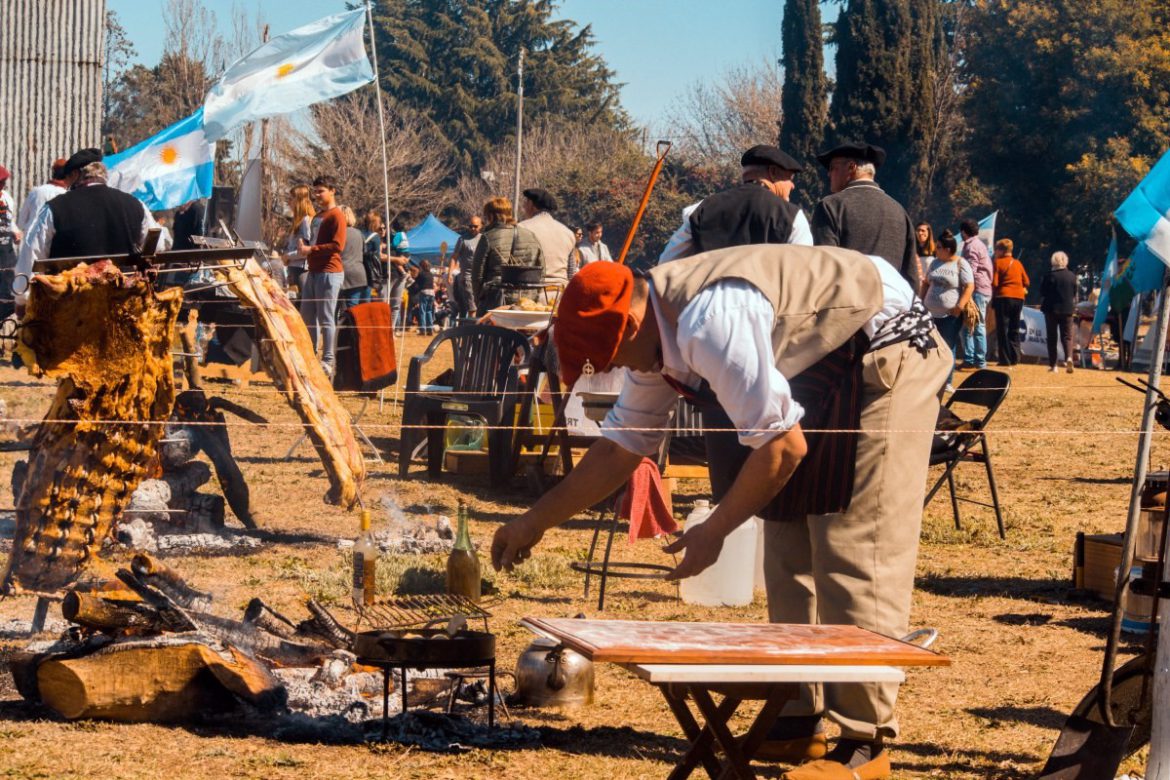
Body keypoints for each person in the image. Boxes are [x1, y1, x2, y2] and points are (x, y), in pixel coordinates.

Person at [492, 249, 948, 780]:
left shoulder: (710, 322)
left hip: (887, 350)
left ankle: (862, 745)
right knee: (787, 538)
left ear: (633, 323)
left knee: (855, 544)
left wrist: (715, 530)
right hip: (822, 364)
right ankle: (798, 712)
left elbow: (782, 449)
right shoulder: (655, 330)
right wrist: (534, 522)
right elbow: (622, 447)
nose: (623, 369)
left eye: (618, 357)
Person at [15, 148, 171, 316]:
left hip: (69, 313)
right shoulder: (135, 205)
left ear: (75, 174)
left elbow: (31, 254)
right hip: (120, 310)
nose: (67, 186)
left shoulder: (55, 208)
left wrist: (23, 300)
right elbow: (159, 243)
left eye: (67, 180)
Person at [811, 141, 920, 291]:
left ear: (851, 167)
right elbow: (911, 276)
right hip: (895, 310)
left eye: (832, 167)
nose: (829, 174)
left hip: (851, 307)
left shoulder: (830, 206)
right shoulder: (899, 211)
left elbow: (826, 268)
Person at [297, 176, 346, 376]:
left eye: (321, 191)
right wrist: (303, 244)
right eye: (315, 191)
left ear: (332, 190)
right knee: (307, 316)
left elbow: (338, 246)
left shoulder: (337, 216)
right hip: (313, 271)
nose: (317, 195)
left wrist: (312, 249)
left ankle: (328, 361)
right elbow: (312, 239)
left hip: (330, 272)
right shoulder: (317, 216)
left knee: (326, 317)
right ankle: (310, 356)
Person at [466, 196, 543, 315]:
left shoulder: (488, 237)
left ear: (491, 215)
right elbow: (541, 271)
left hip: (495, 300)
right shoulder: (530, 236)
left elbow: (477, 276)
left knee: (494, 333)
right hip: (526, 300)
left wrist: (479, 299)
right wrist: (535, 297)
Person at [921, 230, 974, 390]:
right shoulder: (935, 263)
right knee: (929, 346)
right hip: (930, 313)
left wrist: (959, 306)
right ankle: (930, 380)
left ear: (948, 249)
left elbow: (969, 286)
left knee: (947, 346)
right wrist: (920, 302)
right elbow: (926, 283)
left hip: (950, 316)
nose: (935, 250)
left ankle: (947, 382)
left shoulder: (960, 263)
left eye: (938, 247)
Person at [518, 187, 575, 285]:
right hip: (560, 292)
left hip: (532, 292)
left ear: (531, 205)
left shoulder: (522, 228)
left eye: (526, 203)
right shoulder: (568, 233)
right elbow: (571, 273)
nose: (523, 206)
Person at [959, 219, 994, 370]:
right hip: (983, 288)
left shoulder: (971, 246)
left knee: (977, 325)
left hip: (977, 289)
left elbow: (970, 270)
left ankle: (980, 362)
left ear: (963, 232)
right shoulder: (979, 244)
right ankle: (970, 358)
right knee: (969, 325)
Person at [991, 238, 1029, 367]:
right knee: (1014, 328)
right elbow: (1027, 281)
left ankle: (1004, 359)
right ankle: (1015, 357)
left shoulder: (998, 262)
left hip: (1003, 298)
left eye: (996, 249)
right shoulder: (1018, 263)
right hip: (1018, 298)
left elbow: (995, 283)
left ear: (1001, 250)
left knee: (1002, 329)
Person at [1040, 251, 1077, 373]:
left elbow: (1043, 292)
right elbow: (1074, 293)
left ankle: (1053, 365)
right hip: (1068, 309)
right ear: (1066, 261)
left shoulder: (1049, 275)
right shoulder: (1072, 276)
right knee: (1067, 336)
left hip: (1051, 310)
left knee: (1052, 337)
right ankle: (1069, 357)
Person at [16, 158, 67, 234]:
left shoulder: (35, 192)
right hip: (54, 242)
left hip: (31, 242)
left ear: (53, 172)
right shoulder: (67, 196)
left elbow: (21, 222)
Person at [448, 215, 482, 323]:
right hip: (467, 277)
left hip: (480, 278)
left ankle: (476, 330)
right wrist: (450, 273)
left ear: (480, 226)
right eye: (470, 226)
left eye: (475, 226)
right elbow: (454, 257)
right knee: (472, 308)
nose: (472, 228)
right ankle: (473, 333)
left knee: (480, 306)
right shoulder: (463, 239)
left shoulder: (483, 239)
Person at [282, 185, 315, 292]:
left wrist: (288, 256)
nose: (289, 202)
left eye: (291, 198)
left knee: (300, 303)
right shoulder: (298, 220)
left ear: (299, 200)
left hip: (301, 269)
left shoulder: (306, 220)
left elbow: (308, 249)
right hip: (294, 268)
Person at [337, 206, 368, 316]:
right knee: (354, 308)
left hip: (340, 272)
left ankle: (338, 332)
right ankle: (353, 332)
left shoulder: (337, 233)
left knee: (337, 309)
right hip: (358, 273)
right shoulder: (359, 233)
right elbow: (364, 252)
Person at [0, 166, 21, 319]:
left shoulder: (6, 197)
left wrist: (15, 231)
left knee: (8, 292)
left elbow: (10, 220)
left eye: (4, 182)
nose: (3, 186)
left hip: (6, 252)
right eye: (1, 182)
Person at [386, 217, 411, 331]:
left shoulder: (398, 235)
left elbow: (394, 245)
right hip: (406, 253)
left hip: (400, 254)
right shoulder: (404, 235)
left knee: (398, 263)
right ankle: (405, 273)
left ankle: (404, 273)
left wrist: (389, 244)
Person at [361, 211, 386, 301]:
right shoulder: (375, 237)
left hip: (357, 268)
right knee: (365, 300)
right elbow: (377, 257)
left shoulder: (360, 233)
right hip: (368, 272)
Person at [410, 259, 436, 334]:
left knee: (422, 311)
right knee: (429, 311)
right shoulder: (430, 274)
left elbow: (416, 283)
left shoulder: (421, 274)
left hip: (424, 292)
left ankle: (423, 329)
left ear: (421, 266)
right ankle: (430, 329)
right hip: (432, 293)